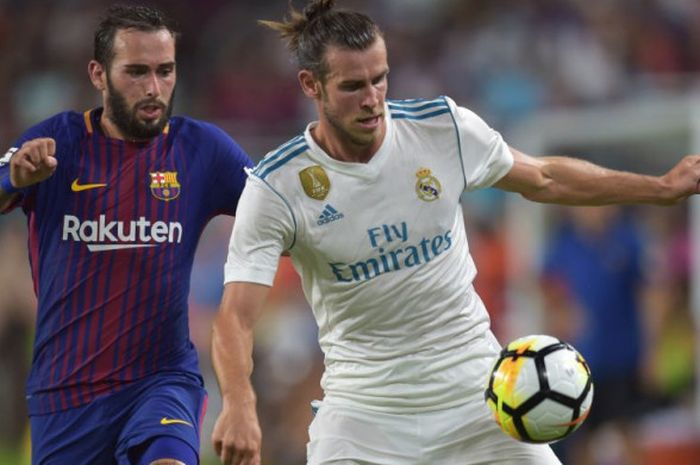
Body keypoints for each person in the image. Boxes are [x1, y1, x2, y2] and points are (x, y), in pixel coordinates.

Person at [209, 1, 700, 464]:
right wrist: (238, 402)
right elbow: (235, 318)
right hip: (365, 413)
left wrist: (658, 187)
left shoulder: (441, 129)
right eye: (352, 86)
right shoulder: (277, 187)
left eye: (380, 79)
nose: (372, 99)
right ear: (310, 85)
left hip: (480, 395)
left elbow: (545, 177)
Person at [0, 4, 252, 465]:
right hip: (66, 393)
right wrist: (14, 179)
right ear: (99, 74)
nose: (154, 88)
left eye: (165, 71)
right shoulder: (57, 142)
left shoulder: (203, 150)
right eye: (136, 72)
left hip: (161, 381)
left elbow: (280, 212)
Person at [540, 206, 647, 465]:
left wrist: (650, 348)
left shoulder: (627, 241)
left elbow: (647, 294)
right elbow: (547, 286)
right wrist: (563, 313)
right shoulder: (564, 246)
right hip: (579, 359)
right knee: (579, 432)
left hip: (621, 353)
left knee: (627, 427)